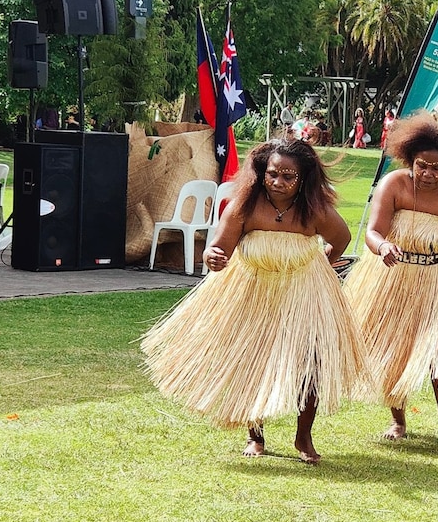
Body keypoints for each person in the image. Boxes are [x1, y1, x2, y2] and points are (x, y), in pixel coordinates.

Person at [141, 139, 375, 464]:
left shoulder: (315, 211)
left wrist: (321, 261)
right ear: (262, 172)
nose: (278, 182)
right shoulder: (245, 206)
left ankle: (303, 436)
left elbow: (341, 239)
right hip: (254, 294)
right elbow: (218, 246)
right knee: (253, 362)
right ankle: (255, 435)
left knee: (311, 365)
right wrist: (213, 258)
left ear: (303, 178)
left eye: (288, 177)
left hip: (304, 294)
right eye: (272, 174)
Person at [343, 112, 438, 444]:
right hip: (394, 277)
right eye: (421, 165)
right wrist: (382, 247)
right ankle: (398, 421)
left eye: (436, 168)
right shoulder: (393, 184)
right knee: (394, 349)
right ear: (410, 159)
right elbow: (373, 231)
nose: (427, 174)